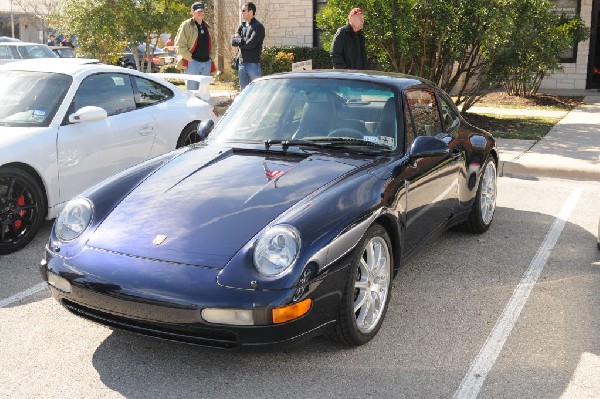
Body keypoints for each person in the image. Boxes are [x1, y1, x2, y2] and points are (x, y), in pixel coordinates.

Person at [174, 2, 214, 91]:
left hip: (206, 63)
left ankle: (203, 105)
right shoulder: (186, 25)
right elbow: (179, 45)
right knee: (192, 92)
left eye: (202, 11)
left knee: (204, 92)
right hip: (192, 63)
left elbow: (213, 44)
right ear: (192, 12)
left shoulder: (207, 26)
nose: (200, 13)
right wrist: (190, 59)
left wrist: (211, 58)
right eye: (197, 11)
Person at [231, 2, 265, 90]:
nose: (241, 12)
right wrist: (243, 41)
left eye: (243, 10)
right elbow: (232, 41)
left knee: (256, 90)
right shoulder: (241, 26)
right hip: (241, 64)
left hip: (253, 64)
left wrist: (240, 40)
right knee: (243, 92)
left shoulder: (258, 27)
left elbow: (251, 44)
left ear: (251, 12)